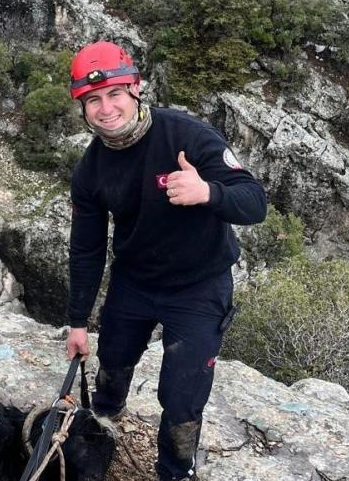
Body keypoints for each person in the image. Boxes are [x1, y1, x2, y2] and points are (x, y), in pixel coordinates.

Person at [63, 41, 267, 480]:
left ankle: (175, 472)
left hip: (199, 286)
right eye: (92, 100)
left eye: (114, 93)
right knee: (112, 365)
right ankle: (103, 430)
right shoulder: (91, 169)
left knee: (181, 398)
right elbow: (86, 247)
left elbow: (254, 202)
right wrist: (77, 321)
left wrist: (208, 192)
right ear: (83, 108)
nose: (105, 108)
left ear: (136, 88)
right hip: (134, 282)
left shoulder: (186, 136)